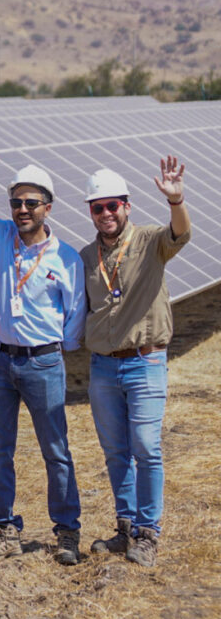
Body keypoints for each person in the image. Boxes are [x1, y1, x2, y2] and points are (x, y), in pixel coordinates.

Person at [0, 156, 86, 565]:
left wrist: (54, 352)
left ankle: (66, 531)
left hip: (43, 363)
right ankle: (6, 529)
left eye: (30, 203)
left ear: (48, 206)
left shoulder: (66, 258)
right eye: (15, 203)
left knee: (55, 450)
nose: (21, 210)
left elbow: (74, 317)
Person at [79, 159, 190, 567]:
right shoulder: (86, 255)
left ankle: (148, 532)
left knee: (146, 447)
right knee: (115, 451)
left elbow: (180, 233)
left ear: (128, 206)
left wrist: (176, 200)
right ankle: (124, 527)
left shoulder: (150, 240)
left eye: (113, 205)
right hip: (104, 368)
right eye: (97, 207)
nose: (106, 213)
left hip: (145, 363)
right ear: (90, 212)